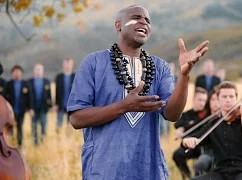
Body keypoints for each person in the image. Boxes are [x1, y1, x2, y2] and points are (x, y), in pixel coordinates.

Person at [66, 5, 209, 180]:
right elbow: (77, 118)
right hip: (104, 169)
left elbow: (172, 114)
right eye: (136, 18)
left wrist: (184, 75)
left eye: (148, 20)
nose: (144, 22)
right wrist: (122, 107)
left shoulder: (159, 67)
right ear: (118, 25)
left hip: (149, 168)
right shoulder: (94, 63)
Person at [183, 81, 242, 180]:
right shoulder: (213, 123)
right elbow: (197, 137)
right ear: (218, 99)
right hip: (220, 171)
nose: (228, 100)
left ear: (236, 98)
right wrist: (187, 141)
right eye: (224, 97)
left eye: (231, 97)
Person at [173, 87, 208, 179]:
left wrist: (186, 126)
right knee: (177, 155)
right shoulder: (186, 114)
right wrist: (181, 129)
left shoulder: (207, 115)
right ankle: (188, 176)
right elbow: (177, 124)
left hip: (203, 146)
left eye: (204, 100)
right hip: (190, 146)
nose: (202, 103)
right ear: (193, 99)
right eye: (199, 100)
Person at [4, 65, 33, 148]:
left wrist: (30, 108)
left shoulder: (25, 84)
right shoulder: (8, 84)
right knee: (10, 127)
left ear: (21, 73)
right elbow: (4, 97)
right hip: (10, 111)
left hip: (21, 110)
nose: (16, 73)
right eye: (15, 72)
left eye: (18, 72)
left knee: (20, 127)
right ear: (12, 73)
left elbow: (30, 97)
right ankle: (10, 144)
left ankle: (20, 145)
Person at [28, 64, 52, 145]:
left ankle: (43, 142)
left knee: (43, 126)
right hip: (33, 108)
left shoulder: (46, 81)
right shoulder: (29, 81)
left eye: (40, 69)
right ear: (34, 70)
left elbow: (49, 95)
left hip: (43, 108)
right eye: (36, 69)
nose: (38, 71)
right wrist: (29, 108)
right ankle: (35, 143)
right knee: (34, 126)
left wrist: (50, 106)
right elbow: (27, 96)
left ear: (42, 71)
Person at [54, 57, 75, 133]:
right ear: (63, 65)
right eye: (66, 64)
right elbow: (56, 92)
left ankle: (68, 141)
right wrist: (56, 104)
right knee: (59, 124)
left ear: (72, 65)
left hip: (72, 105)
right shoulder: (59, 77)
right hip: (61, 105)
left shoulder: (75, 76)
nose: (67, 66)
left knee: (70, 125)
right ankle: (59, 139)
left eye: (69, 64)